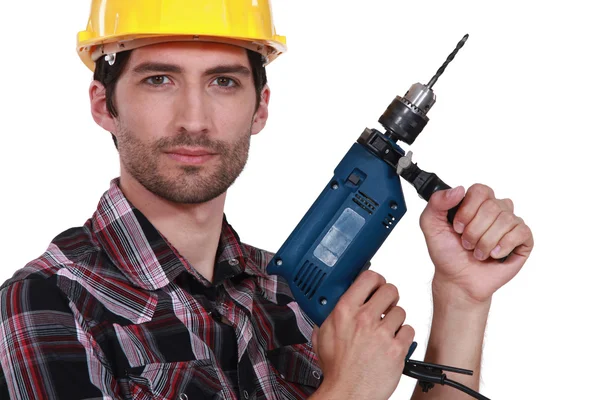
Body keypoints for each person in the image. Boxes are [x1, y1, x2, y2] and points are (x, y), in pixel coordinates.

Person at [0, 0, 534, 399]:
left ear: (260, 109)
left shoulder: (283, 294)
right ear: (104, 105)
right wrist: (347, 391)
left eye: (224, 82)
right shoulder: (46, 305)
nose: (194, 118)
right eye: (159, 79)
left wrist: (462, 298)